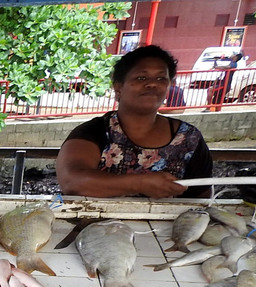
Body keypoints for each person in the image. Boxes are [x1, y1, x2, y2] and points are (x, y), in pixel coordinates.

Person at [56, 44, 212, 199]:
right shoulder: (93, 132)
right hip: (93, 222)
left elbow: (201, 196)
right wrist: (139, 183)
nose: (152, 84)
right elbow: (72, 182)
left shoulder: (189, 138)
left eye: (161, 78)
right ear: (118, 89)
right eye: (141, 78)